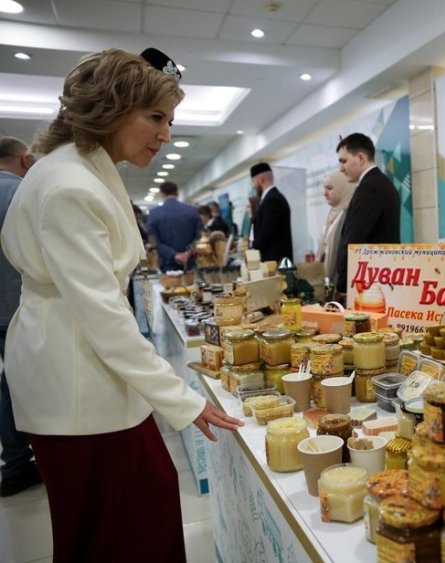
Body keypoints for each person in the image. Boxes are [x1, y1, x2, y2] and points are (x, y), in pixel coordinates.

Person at [0, 47, 242, 562]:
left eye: (170, 120)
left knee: (111, 520)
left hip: (77, 373)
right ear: (111, 108)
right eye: (155, 117)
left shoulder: (78, 170)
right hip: (77, 382)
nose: (165, 134)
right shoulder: (70, 186)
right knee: (126, 524)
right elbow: (102, 316)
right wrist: (183, 400)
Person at [0, 137, 40, 497]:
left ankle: (15, 463)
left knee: (6, 385)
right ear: (25, 159)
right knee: (25, 384)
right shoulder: (21, 194)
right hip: (19, 306)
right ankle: (26, 462)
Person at [334, 133, 401, 296]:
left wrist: (342, 287)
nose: (341, 168)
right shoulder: (381, 183)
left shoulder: (369, 189)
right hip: (382, 280)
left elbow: (353, 241)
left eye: (343, 161)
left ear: (360, 158)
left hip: (370, 285)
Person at [147, 180, 203, 272]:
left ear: (162, 194)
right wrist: (188, 252)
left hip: (167, 262)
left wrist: (173, 255)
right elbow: (200, 236)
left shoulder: (153, 213)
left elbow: (153, 241)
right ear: (177, 193)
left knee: (170, 281)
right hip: (191, 261)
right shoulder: (192, 210)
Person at [250, 162, 293, 264]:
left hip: (276, 264)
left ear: (260, 180)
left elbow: (266, 235)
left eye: (253, 181)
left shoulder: (272, 200)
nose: (253, 186)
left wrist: (252, 246)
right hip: (274, 262)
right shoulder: (271, 198)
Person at [318, 171, 356, 282]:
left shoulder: (348, 216)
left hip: (341, 281)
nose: (325, 193)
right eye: (324, 188)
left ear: (342, 188)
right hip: (326, 280)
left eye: (329, 188)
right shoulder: (332, 213)